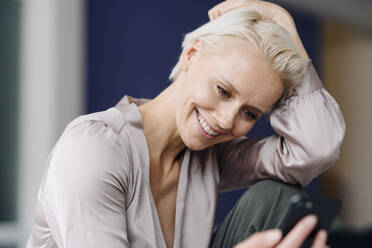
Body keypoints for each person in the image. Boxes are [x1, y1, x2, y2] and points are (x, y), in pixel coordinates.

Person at [26, 0, 345, 247]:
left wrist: (284, 24)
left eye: (249, 113)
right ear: (191, 54)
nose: (225, 120)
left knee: (273, 197)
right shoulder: (93, 150)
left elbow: (316, 149)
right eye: (223, 90)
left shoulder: (208, 156)